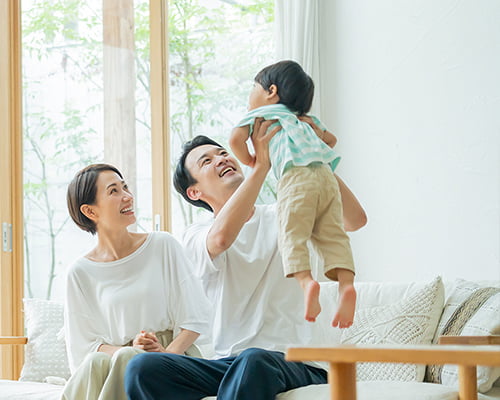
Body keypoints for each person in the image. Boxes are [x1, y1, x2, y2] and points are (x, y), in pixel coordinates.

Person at [124, 119, 367, 399]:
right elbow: (221, 240)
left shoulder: (285, 213)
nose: (221, 158)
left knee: (254, 360)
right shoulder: (195, 235)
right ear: (195, 192)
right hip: (232, 364)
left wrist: (312, 153)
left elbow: (355, 220)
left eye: (223, 153)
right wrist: (260, 167)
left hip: (299, 362)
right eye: (206, 161)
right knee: (143, 367)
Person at [62, 163, 209, 400]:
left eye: (125, 187)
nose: (127, 197)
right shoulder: (79, 272)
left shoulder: (163, 245)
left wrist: (163, 356)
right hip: (115, 364)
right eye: (114, 191)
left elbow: (196, 318)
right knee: (103, 360)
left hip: (175, 356)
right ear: (90, 212)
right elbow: (83, 348)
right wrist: (132, 351)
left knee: (130, 360)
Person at [229, 60, 356, 327]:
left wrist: (251, 160)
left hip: (295, 178)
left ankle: (307, 282)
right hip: (325, 178)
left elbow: (234, 140)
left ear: (271, 91)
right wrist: (312, 133)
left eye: (254, 88)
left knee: (292, 234)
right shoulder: (305, 119)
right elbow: (331, 141)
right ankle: (346, 286)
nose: (250, 95)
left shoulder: (262, 115)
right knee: (332, 235)